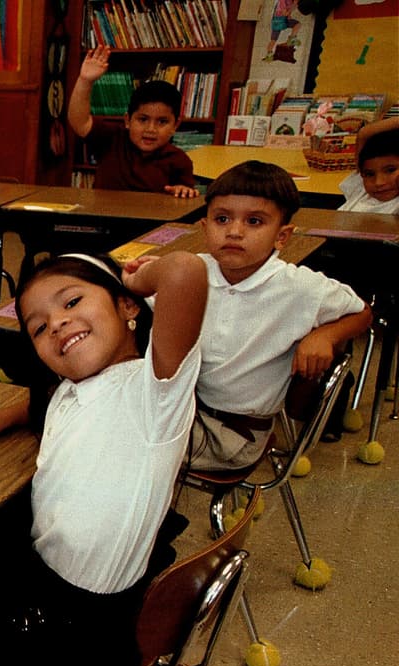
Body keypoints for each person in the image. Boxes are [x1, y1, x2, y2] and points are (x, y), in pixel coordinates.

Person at [0, 249, 207, 666]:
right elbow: (55, 402)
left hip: (71, 643)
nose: (55, 323)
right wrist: (0, 419)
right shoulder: (71, 390)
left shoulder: (154, 394)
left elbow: (185, 271)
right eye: (38, 327)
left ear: (128, 306)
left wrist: (136, 278)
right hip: (54, 594)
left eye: (72, 302)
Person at [190, 161, 371, 468]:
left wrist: (325, 335)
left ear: (282, 236)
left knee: (118, 449)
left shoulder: (300, 287)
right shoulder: (193, 270)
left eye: (254, 222)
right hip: (184, 412)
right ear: (205, 227)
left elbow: (362, 313)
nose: (234, 231)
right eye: (222, 219)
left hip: (235, 434)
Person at [67, 47, 197, 197]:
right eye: (143, 119)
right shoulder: (112, 139)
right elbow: (79, 122)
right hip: (104, 216)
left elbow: (185, 194)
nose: (151, 129)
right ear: (128, 120)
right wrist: (85, 81)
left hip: (151, 219)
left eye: (162, 122)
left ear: (175, 125)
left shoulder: (179, 160)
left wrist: (183, 191)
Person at [338, 116, 399, 213]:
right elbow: (364, 133)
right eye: (369, 174)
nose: (378, 182)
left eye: (391, 170)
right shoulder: (361, 190)